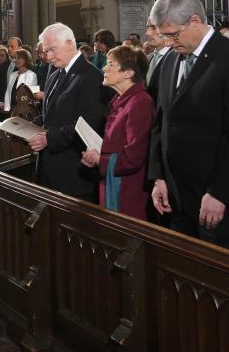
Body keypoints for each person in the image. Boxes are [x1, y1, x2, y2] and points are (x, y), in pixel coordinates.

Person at [148, 0, 229, 253]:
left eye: (173, 34)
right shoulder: (170, 62)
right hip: (176, 196)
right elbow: (161, 122)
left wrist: (220, 192)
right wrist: (159, 177)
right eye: (164, 35)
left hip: (214, 198)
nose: (168, 42)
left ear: (196, 22)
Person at [26, 23, 111, 201]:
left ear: (70, 43)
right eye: (45, 51)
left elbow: (88, 124)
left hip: (73, 173)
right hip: (49, 168)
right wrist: (25, 127)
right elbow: (52, 115)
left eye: (52, 50)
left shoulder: (90, 76)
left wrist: (49, 138)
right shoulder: (55, 75)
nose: (48, 56)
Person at [80, 45, 154, 218]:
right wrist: (96, 156)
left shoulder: (140, 103)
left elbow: (134, 156)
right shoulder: (121, 99)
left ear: (128, 73)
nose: (104, 68)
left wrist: (101, 160)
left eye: (111, 64)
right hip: (112, 182)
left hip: (127, 191)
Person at [144, 18, 169, 103]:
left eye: (154, 28)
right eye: (147, 28)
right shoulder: (147, 58)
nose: (147, 33)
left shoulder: (178, 58)